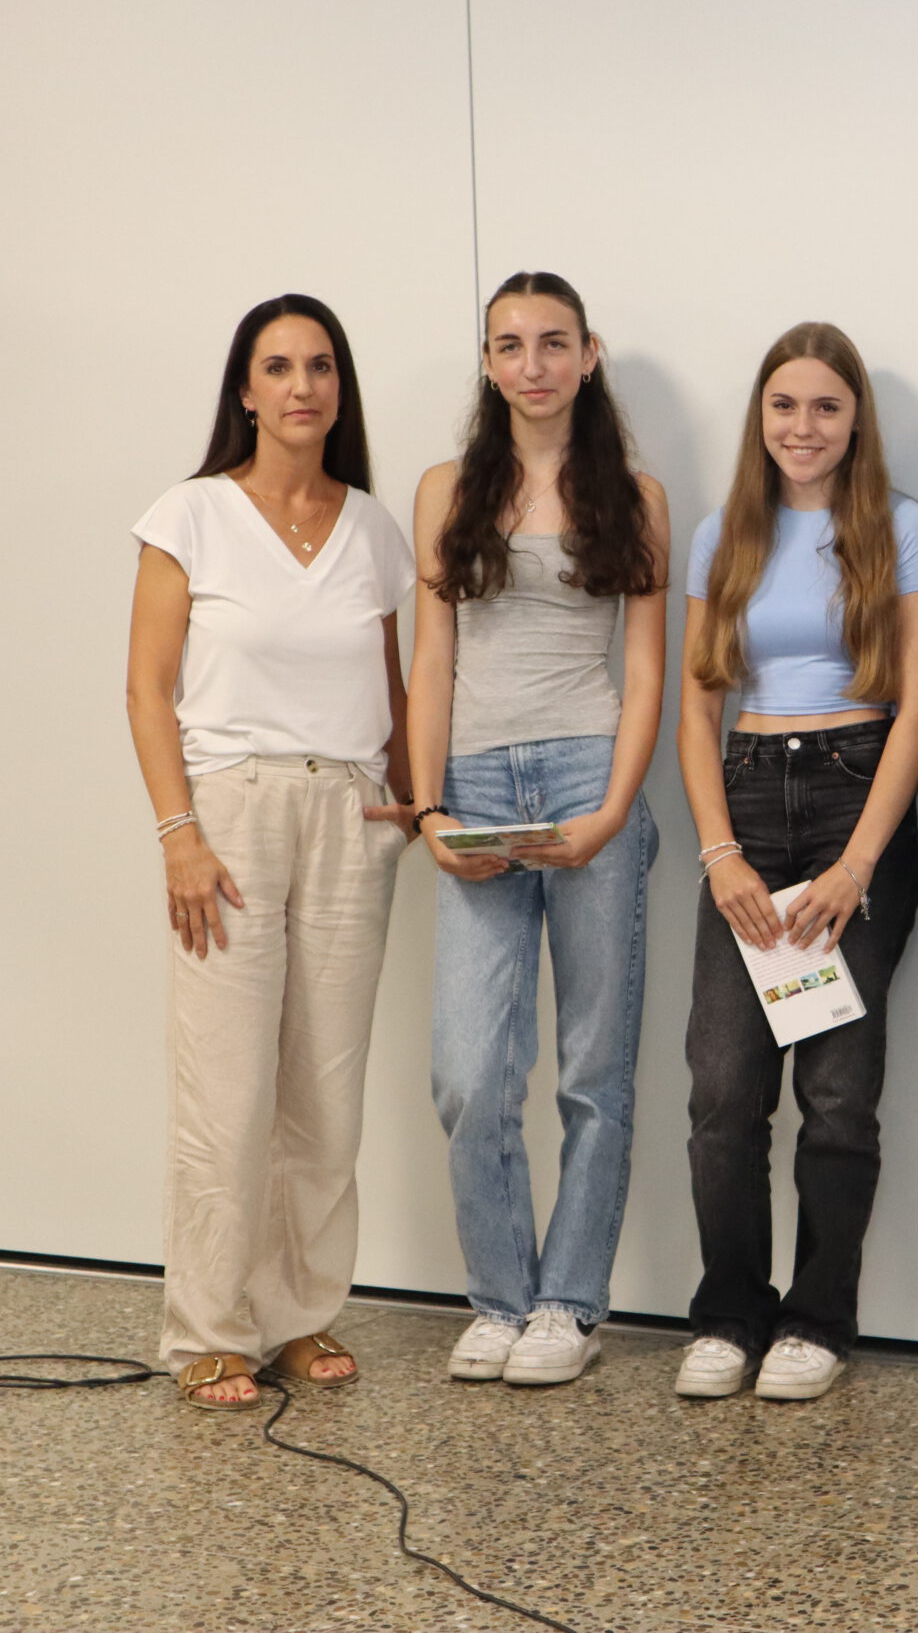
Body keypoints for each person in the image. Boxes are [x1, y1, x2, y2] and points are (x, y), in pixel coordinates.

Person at [125, 294, 418, 1410]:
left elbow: (395, 689)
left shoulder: (373, 528)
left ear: (341, 389)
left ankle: (299, 1315)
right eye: (280, 366)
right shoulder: (192, 514)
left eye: (321, 366)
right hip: (230, 818)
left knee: (326, 1089)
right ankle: (209, 1326)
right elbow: (146, 690)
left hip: (349, 813)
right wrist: (179, 835)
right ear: (245, 391)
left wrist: (408, 802)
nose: (303, 386)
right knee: (228, 1083)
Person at [405, 272, 668, 1388]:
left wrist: (611, 812)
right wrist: (428, 806)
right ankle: (500, 1299)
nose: (533, 365)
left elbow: (646, 671)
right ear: (487, 362)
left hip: (588, 774)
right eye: (510, 345)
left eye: (554, 342)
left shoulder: (636, 496)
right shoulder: (445, 488)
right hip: (473, 786)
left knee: (594, 1068)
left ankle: (568, 1304)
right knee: (471, 1072)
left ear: (589, 354)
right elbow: (432, 661)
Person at [673, 322, 918, 1402]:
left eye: (826, 406)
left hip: (854, 798)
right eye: (784, 405)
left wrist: (858, 866)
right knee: (723, 1087)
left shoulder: (901, 528)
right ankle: (729, 1315)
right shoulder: (722, 533)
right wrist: (719, 853)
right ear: (760, 417)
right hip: (746, 801)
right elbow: (697, 709)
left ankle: (817, 1321)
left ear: (855, 419)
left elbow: (917, 706)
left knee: (836, 1091)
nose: (803, 426)